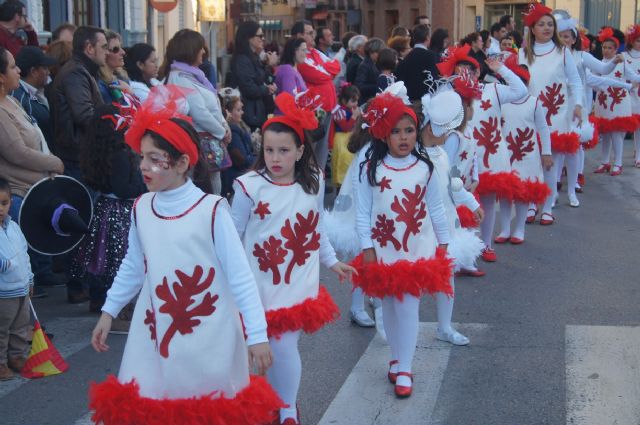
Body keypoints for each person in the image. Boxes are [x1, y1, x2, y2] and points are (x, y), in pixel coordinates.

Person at [89, 86, 282, 425]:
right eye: (141, 157)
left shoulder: (211, 211)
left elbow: (240, 276)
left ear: (181, 163)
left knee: (205, 410)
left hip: (208, 335)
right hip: (155, 330)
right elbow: (134, 266)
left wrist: (257, 336)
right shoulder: (141, 207)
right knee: (157, 405)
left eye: (154, 159)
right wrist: (109, 311)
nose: (144, 167)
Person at [231, 92, 354, 424]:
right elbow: (230, 235)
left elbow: (316, 230)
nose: (275, 157)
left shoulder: (311, 186)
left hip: (295, 284)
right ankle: (268, 401)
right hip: (256, 283)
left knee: (284, 348)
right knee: (260, 348)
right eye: (269, 150)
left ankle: (287, 408)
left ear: (300, 152)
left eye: (284, 151)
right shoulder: (247, 187)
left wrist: (331, 261)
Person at [351, 90, 452, 398]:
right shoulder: (371, 168)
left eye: (409, 130)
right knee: (391, 308)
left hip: (417, 251)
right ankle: (396, 356)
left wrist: (444, 242)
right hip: (383, 252)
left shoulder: (425, 167)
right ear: (384, 135)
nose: (404, 137)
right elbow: (363, 212)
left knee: (408, 308)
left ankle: (406, 367)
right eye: (396, 131)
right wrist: (367, 247)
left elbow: (436, 207)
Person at [437, 45, 527, 262]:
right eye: (460, 71)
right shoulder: (449, 94)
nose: (465, 75)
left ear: (478, 73)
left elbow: (521, 91)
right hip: (461, 155)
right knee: (459, 202)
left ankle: (484, 244)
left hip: (491, 154)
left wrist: (501, 69)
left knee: (485, 202)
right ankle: (459, 251)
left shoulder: (493, 90)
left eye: (470, 70)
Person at [420, 89, 484, 346]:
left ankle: (444, 326)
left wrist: (471, 202)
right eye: (444, 129)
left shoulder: (442, 154)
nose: (448, 135)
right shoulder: (415, 156)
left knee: (446, 275)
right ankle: (392, 318)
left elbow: (452, 184)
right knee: (412, 278)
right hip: (419, 226)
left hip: (445, 222)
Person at [71, 104, 146, 317]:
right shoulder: (121, 154)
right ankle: (118, 305)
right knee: (119, 258)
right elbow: (124, 190)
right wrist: (146, 185)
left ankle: (99, 298)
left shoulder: (99, 152)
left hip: (104, 208)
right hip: (120, 212)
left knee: (103, 257)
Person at [0, 46, 65, 295]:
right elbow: (16, 152)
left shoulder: (12, 100)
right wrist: (53, 164)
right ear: (1, 77)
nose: (19, 70)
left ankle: (27, 324)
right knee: (17, 271)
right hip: (16, 194)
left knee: (26, 270)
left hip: (32, 188)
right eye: (13, 66)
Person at [518, 3, 583, 225]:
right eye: (541, 24)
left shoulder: (562, 52)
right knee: (531, 161)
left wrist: (579, 104)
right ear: (532, 28)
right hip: (529, 114)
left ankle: (547, 206)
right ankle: (531, 203)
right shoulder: (522, 53)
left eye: (549, 24)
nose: (546, 28)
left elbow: (575, 81)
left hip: (557, 114)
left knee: (551, 162)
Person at [555, 15, 623, 195]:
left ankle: (576, 177)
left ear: (574, 39)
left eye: (567, 36)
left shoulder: (581, 56)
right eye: (560, 36)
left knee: (576, 144)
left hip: (577, 105)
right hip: (558, 106)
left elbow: (602, 70)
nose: (564, 39)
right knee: (559, 144)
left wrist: (614, 61)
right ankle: (556, 180)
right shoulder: (552, 56)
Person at [162, 29, 231, 195]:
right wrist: (222, 131)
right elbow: (200, 113)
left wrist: (224, 124)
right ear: (190, 49)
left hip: (208, 140)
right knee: (208, 188)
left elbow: (211, 104)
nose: (203, 51)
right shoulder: (181, 78)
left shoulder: (192, 75)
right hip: (200, 142)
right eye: (200, 47)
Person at [498, 60, 552, 243]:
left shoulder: (534, 103)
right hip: (505, 154)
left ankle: (519, 228)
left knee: (523, 193)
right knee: (505, 193)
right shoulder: (501, 103)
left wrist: (547, 152)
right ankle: (505, 229)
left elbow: (543, 129)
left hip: (527, 155)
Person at [50, 25, 106, 180]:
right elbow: (85, 115)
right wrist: (111, 125)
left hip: (82, 156)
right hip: (77, 158)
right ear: (89, 48)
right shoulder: (76, 72)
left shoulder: (83, 70)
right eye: (104, 47)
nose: (107, 52)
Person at [292, 20, 341, 170]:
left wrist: (327, 70)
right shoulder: (301, 55)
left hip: (328, 105)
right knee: (312, 147)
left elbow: (336, 66)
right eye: (309, 33)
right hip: (315, 108)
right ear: (299, 35)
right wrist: (327, 70)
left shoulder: (314, 52)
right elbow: (320, 75)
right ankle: (310, 178)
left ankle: (318, 178)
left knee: (323, 148)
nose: (313, 35)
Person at [592, 27, 640, 176]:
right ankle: (605, 161)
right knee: (605, 133)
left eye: (610, 48)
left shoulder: (622, 63)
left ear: (616, 49)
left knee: (616, 134)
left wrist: (632, 84)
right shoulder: (598, 63)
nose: (606, 50)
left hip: (619, 103)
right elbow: (591, 81)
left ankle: (618, 163)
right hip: (603, 102)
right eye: (604, 47)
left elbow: (634, 77)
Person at [0, 177, 33, 381]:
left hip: (21, 289)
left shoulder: (14, 228)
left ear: (11, 202)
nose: (0, 209)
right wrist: (5, 265)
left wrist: (30, 279)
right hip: (3, 293)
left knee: (21, 326)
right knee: (2, 329)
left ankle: (17, 357)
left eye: (4, 203)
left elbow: (24, 254)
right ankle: (0, 363)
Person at [231, 21, 275, 131]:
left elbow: (263, 78)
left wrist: (266, 65)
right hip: (250, 114)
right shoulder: (242, 60)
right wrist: (266, 89)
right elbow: (249, 88)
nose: (263, 39)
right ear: (248, 38)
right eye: (260, 36)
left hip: (258, 112)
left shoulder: (253, 57)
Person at [12, 46, 56, 148]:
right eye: (45, 68)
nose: (48, 72)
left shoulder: (34, 92)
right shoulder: (20, 99)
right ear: (33, 72)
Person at [221, 93, 257, 196]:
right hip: (237, 175)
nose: (242, 112)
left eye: (241, 109)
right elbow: (242, 160)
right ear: (229, 112)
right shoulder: (233, 130)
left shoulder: (239, 126)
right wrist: (258, 158)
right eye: (238, 110)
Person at [396, 24, 440, 101]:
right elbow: (433, 78)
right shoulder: (430, 55)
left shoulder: (407, 56)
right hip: (425, 99)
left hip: (409, 99)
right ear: (427, 38)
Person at [331, 83, 361, 187]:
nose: (356, 103)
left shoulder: (350, 110)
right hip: (341, 139)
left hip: (349, 137)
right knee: (343, 164)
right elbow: (345, 127)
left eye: (357, 100)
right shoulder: (339, 111)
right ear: (344, 100)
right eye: (353, 101)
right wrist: (354, 116)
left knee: (349, 163)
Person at [97, 30, 134, 105]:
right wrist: (129, 93)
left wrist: (130, 92)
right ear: (105, 52)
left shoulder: (121, 78)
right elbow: (120, 112)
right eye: (116, 49)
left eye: (121, 47)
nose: (123, 52)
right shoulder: (100, 84)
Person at [625, 25, 640, 168]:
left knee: (639, 128)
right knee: (622, 128)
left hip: (639, 96)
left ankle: (639, 155)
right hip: (626, 95)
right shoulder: (623, 57)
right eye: (638, 40)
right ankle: (615, 159)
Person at [355, 37, 385, 103]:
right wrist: (377, 87)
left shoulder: (376, 63)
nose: (380, 55)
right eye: (378, 52)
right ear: (371, 52)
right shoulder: (364, 65)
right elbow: (359, 86)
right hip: (367, 101)